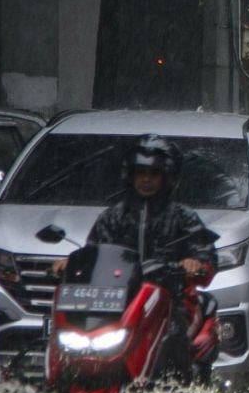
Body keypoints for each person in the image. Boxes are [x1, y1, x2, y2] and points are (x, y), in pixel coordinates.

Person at [53, 134, 217, 375]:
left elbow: (206, 257)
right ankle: (60, 381)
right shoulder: (112, 217)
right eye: (141, 173)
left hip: (171, 300)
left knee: (176, 332)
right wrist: (71, 263)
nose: (146, 180)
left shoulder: (184, 218)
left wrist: (194, 263)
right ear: (130, 175)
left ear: (167, 177)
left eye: (154, 174)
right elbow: (93, 252)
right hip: (119, 300)